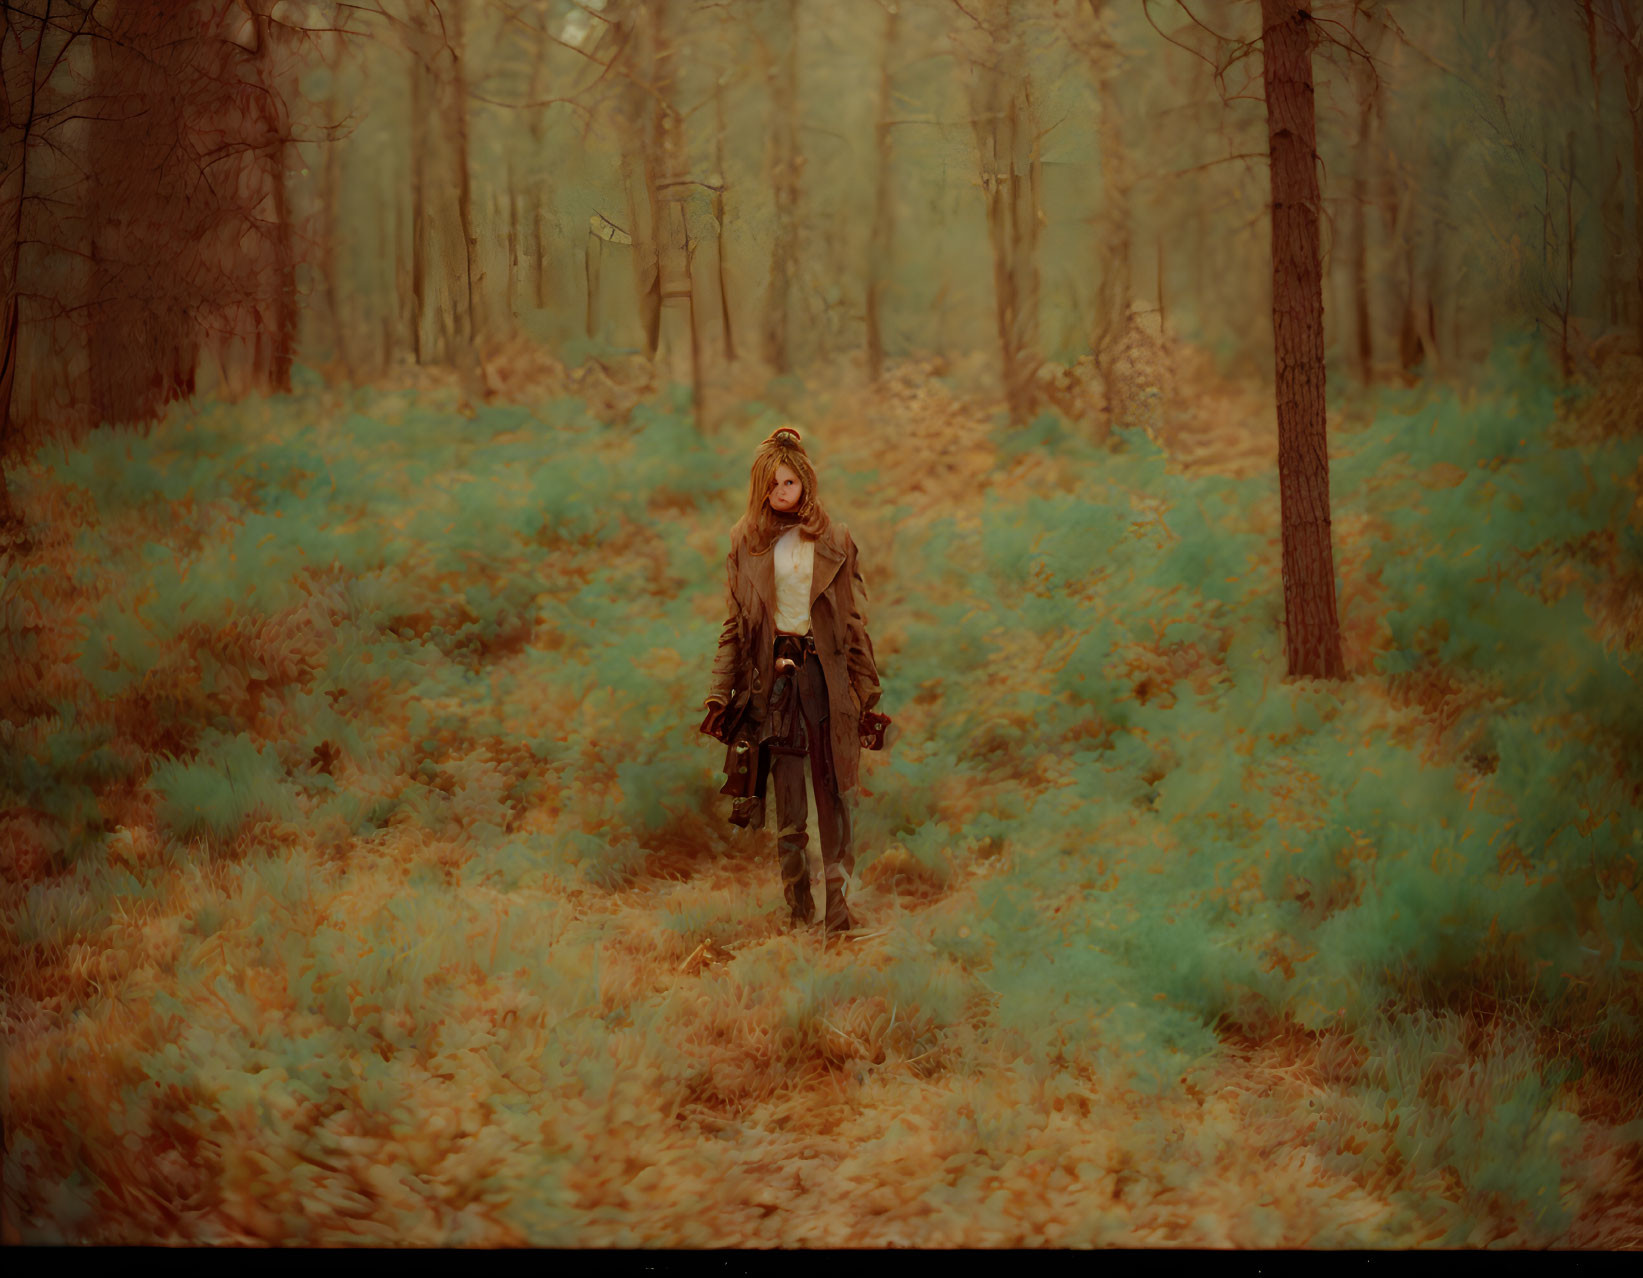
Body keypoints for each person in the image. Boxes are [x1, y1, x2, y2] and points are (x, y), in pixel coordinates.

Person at [699, 426, 883, 937]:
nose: (780, 494)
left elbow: (853, 625)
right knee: (790, 807)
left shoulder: (835, 539)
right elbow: (734, 626)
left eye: (788, 482)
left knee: (834, 798)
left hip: (826, 683)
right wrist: (719, 692)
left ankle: (838, 917)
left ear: (805, 480)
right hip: (775, 686)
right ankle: (798, 909)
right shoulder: (745, 542)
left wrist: (868, 697)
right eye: (770, 485)